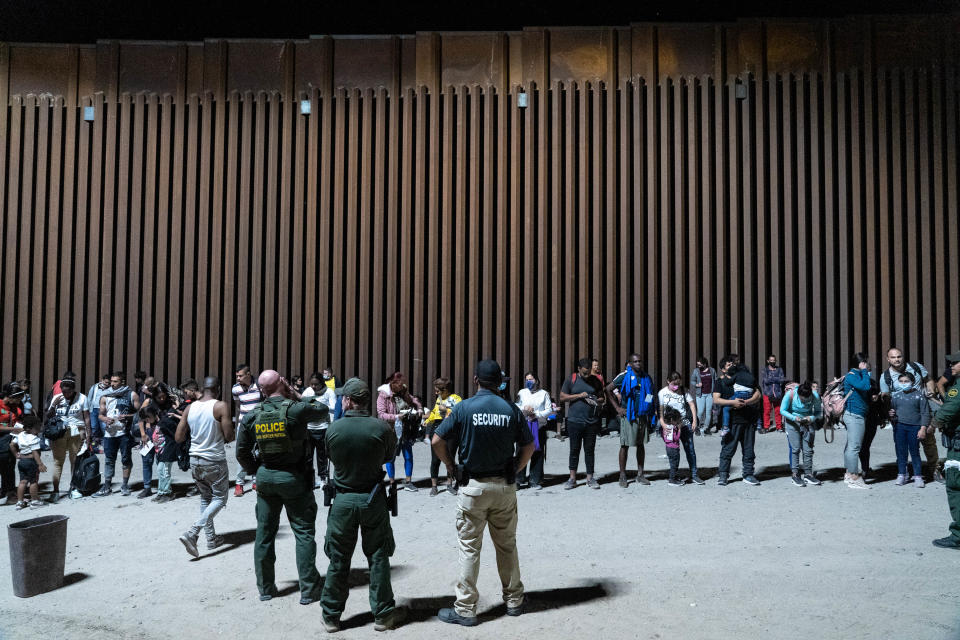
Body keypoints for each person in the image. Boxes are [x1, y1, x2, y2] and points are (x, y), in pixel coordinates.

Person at [432, 359, 534, 626]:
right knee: (507, 545)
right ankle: (514, 601)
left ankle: (466, 609)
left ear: (476, 380)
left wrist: (451, 466)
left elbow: (436, 440)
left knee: (469, 549)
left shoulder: (464, 408)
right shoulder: (511, 409)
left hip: (473, 489)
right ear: (499, 381)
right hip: (503, 487)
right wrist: (517, 467)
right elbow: (529, 446)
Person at [320, 377, 406, 632]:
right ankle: (382, 615)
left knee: (338, 559)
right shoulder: (381, 429)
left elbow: (329, 457)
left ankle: (332, 616)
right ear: (367, 401)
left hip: (343, 500)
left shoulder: (333, 429)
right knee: (378, 557)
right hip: (373, 499)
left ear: (346, 400)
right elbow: (389, 456)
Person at [236, 370, 328, 604]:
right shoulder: (296, 409)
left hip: (266, 476)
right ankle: (308, 589)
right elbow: (322, 409)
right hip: (294, 477)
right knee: (304, 533)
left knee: (264, 534)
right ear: (282, 384)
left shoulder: (254, 415)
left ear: (261, 389)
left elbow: (241, 452)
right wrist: (295, 392)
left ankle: (266, 588)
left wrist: (256, 469)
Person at [175, 376, 234, 557]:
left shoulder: (190, 408)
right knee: (219, 499)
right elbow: (230, 436)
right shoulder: (220, 406)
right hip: (213, 460)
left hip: (195, 460)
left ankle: (211, 539)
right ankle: (192, 532)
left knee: (205, 499)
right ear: (217, 389)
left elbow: (178, 437)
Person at [879, 348, 943, 483]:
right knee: (901, 445)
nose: (897, 359)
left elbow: (928, 379)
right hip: (902, 417)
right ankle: (903, 472)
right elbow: (886, 397)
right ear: (888, 359)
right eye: (893, 357)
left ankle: (935, 470)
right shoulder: (886, 377)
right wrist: (888, 412)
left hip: (922, 411)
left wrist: (931, 390)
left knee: (929, 442)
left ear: (903, 357)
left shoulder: (915, 366)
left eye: (899, 356)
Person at [607, 355, 656, 487]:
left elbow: (650, 393)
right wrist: (617, 408)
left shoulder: (646, 377)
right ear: (629, 363)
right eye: (635, 361)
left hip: (642, 415)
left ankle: (640, 474)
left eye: (640, 361)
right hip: (628, 415)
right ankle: (622, 475)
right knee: (625, 445)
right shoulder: (624, 376)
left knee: (641, 444)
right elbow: (608, 389)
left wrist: (646, 406)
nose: (638, 363)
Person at [713, 355, 762, 486]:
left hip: (748, 419)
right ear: (723, 369)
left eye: (733, 364)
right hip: (731, 422)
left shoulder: (744, 377)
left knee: (749, 450)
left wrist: (746, 402)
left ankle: (748, 474)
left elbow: (758, 394)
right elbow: (716, 399)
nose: (733, 366)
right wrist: (733, 402)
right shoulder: (720, 382)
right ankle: (723, 475)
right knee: (728, 449)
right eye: (729, 365)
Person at [929, 351, 960, 550]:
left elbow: (950, 409)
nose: (953, 367)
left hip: (958, 447)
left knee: (955, 487)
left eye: (956, 363)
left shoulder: (957, 389)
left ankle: (958, 536)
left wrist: (932, 424)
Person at [44, 377, 92, 502]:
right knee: (58, 462)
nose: (66, 395)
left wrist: (89, 434)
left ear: (73, 389)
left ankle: (74, 488)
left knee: (75, 462)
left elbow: (86, 417)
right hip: (60, 432)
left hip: (76, 431)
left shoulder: (82, 398)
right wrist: (54, 405)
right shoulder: (57, 397)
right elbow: (48, 416)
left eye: (68, 392)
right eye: (63, 392)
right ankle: (55, 491)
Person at [559, 358, 604, 490]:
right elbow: (562, 397)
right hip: (574, 421)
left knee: (589, 451)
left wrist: (596, 400)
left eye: (588, 372)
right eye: (584, 373)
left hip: (591, 421)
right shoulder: (571, 379)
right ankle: (572, 478)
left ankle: (590, 478)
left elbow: (602, 398)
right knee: (574, 450)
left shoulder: (595, 380)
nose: (586, 375)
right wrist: (579, 395)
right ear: (578, 369)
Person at [376, 372, 423, 491]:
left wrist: (419, 408)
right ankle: (392, 483)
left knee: (408, 456)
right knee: (391, 458)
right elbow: (381, 415)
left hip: (405, 428)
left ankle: (408, 482)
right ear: (393, 384)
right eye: (400, 385)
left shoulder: (403, 391)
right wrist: (396, 417)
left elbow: (413, 400)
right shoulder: (383, 395)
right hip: (391, 430)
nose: (402, 387)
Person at [96, 372, 140, 496]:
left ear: (122, 382)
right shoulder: (105, 396)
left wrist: (127, 416)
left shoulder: (131, 395)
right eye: (112, 381)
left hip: (124, 432)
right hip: (110, 433)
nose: (112, 384)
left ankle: (125, 485)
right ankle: (107, 486)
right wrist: (105, 419)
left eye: (115, 381)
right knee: (109, 459)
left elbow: (141, 413)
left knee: (126, 459)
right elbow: (100, 414)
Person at [656, 372, 703, 485]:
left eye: (678, 384)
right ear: (668, 381)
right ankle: (674, 476)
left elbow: (692, 404)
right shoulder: (662, 393)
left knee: (690, 450)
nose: (676, 387)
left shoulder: (684, 391)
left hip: (684, 424)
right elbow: (660, 410)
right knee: (673, 452)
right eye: (673, 384)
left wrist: (695, 421)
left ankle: (694, 475)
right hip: (670, 426)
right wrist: (662, 424)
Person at [889, 371, 930, 487]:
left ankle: (918, 476)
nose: (903, 383)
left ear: (912, 382)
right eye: (901, 381)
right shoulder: (896, 396)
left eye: (906, 381)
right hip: (900, 427)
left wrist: (923, 428)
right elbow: (893, 413)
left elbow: (925, 413)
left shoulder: (920, 396)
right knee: (901, 452)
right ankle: (902, 474)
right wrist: (891, 415)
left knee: (915, 452)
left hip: (914, 427)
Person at [779, 381, 823, 486]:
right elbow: (782, 410)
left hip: (808, 422)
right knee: (795, 449)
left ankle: (808, 474)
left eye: (807, 400)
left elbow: (818, 412)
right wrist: (795, 418)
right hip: (792, 422)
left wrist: (811, 418)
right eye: (803, 399)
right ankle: (795, 474)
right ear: (798, 394)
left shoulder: (815, 396)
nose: (804, 402)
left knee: (808, 449)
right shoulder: (790, 394)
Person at [424, 377, 462, 496]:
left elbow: (458, 413)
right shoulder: (439, 399)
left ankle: (449, 484)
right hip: (437, 427)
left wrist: (446, 410)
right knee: (435, 459)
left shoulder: (456, 399)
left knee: (449, 457)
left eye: (437, 391)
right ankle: (434, 486)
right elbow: (435, 413)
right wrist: (428, 421)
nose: (436, 393)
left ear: (445, 390)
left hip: (451, 429)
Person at [841, 352, 873, 489]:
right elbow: (866, 386)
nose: (867, 364)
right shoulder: (852, 376)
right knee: (854, 447)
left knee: (851, 446)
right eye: (865, 362)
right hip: (854, 415)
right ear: (861, 363)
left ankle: (849, 473)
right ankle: (854, 476)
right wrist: (865, 371)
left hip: (856, 414)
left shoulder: (855, 375)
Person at [515, 372, 551, 490]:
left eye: (531, 379)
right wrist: (525, 409)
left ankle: (534, 480)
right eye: (526, 379)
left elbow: (548, 410)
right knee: (521, 451)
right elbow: (516, 406)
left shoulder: (544, 394)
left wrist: (536, 414)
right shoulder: (522, 392)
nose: (528, 382)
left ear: (537, 380)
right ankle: (518, 479)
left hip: (538, 425)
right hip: (523, 426)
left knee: (537, 453)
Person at [301, 372, 337, 488]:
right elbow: (301, 405)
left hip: (323, 427)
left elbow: (333, 407)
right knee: (308, 456)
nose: (313, 387)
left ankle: (323, 479)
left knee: (322, 456)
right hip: (309, 428)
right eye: (311, 384)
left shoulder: (329, 392)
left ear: (322, 383)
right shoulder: (307, 392)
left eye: (316, 384)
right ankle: (309, 480)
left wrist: (319, 406)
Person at [232, 364, 261, 497]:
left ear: (248, 374)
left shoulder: (259, 386)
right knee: (242, 453)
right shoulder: (235, 389)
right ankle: (239, 483)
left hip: (258, 424)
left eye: (240, 375)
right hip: (243, 424)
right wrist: (238, 425)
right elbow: (238, 407)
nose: (238, 378)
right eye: (237, 375)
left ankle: (256, 480)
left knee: (258, 452)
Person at [11, 415, 47, 509]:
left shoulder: (20, 435)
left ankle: (20, 502)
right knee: (33, 481)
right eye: (38, 427)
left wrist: (16, 454)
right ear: (29, 428)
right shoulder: (33, 438)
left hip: (22, 462)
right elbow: (35, 452)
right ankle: (34, 501)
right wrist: (40, 464)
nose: (39, 428)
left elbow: (12, 445)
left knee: (22, 482)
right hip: (31, 462)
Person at [1, 384, 25, 504]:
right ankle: (7, 492)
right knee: (4, 467)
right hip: (2, 440)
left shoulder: (15, 406)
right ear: (10, 397)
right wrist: (13, 429)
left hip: (11, 440)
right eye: (17, 399)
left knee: (10, 467)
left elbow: (18, 419)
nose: (19, 402)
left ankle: (9, 492)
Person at [660, 407, 686, 486]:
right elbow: (676, 438)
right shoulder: (672, 428)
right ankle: (672, 480)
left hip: (668, 447)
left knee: (673, 463)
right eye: (677, 420)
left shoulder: (665, 427)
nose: (678, 422)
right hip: (673, 448)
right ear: (672, 420)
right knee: (674, 464)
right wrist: (679, 430)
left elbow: (663, 437)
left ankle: (674, 477)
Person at [759, 354, 786, 432]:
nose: (772, 362)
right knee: (767, 411)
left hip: (777, 393)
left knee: (778, 411)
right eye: (771, 360)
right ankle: (766, 427)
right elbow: (766, 381)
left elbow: (782, 380)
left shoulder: (779, 369)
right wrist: (776, 379)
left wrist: (771, 378)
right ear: (768, 361)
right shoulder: (765, 370)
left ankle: (779, 427)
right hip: (767, 393)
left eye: (774, 360)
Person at [690, 357, 717, 434]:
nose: (698, 366)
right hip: (700, 394)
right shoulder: (696, 371)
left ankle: (706, 427)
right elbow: (692, 381)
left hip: (710, 394)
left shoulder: (712, 370)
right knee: (700, 411)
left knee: (708, 411)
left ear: (705, 364)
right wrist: (697, 385)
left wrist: (715, 391)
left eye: (700, 365)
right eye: (697, 365)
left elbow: (715, 380)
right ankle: (696, 427)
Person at [86, 373, 111, 452]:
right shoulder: (95, 387)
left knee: (104, 427)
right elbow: (89, 398)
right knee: (94, 427)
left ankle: (106, 444)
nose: (107, 384)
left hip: (104, 410)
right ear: (102, 380)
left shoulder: (110, 389)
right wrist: (88, 409)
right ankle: (94, 445)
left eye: (109, 383)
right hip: (94, 409)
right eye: (106, 382)